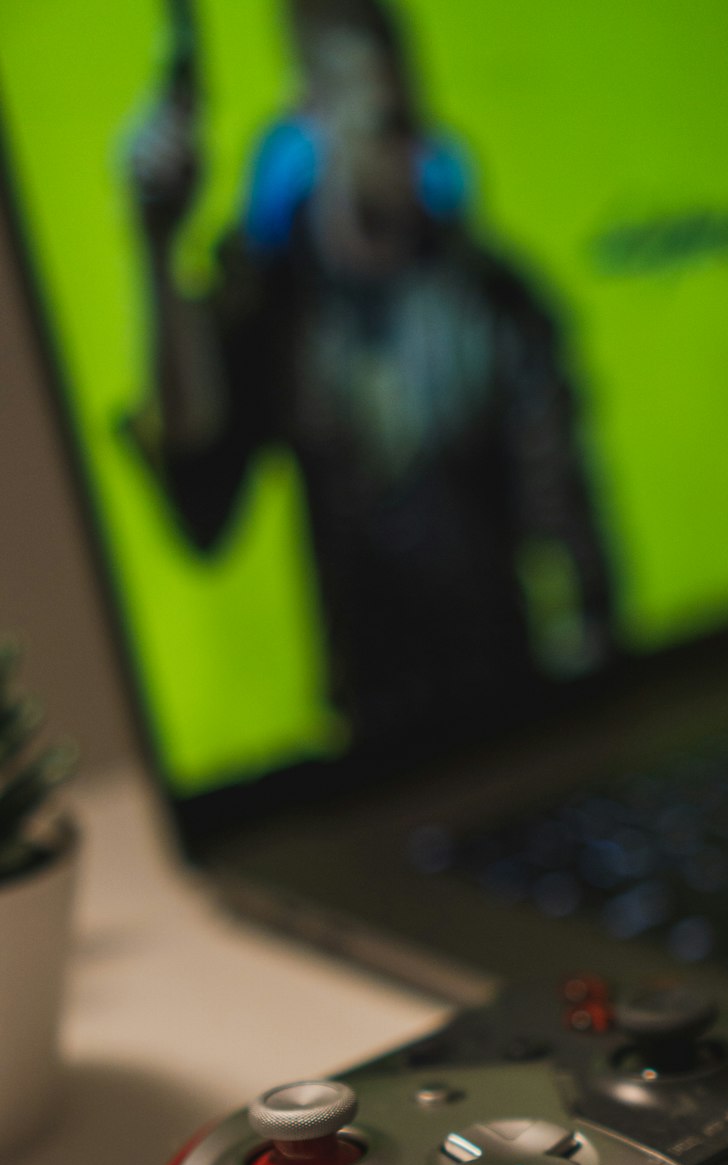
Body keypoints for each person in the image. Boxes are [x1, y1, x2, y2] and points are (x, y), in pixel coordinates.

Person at [127, 0, 616, 747]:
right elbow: (200, 479)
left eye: (415, 123)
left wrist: (592, 700)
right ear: (313, 117)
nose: (414, 156)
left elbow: (568, 531)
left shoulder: (494, 298)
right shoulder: (276, 299)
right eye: (388, 125)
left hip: (522, 705)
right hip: (373, 738)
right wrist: (158, 249)